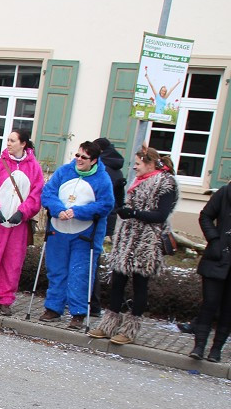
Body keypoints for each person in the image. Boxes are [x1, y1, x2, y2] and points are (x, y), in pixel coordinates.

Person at [89, 147, 178, 345]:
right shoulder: (139, 181)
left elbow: (161, 215)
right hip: (127, 239)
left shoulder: (165, 183)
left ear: (149, 164)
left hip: (147, 242)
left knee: (140, 285)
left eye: (137, 163)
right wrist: (121, 194)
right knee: (117, 282)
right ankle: (108, 325)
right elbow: (126, 208)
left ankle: (130, 330)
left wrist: (134, 214)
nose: (134, 167)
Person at [40, 140, 115, 329]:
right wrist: (58, 209)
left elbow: (106, 204)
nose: (79, 160)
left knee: (80, 273)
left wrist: (78, 211)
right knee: (56, 270)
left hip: (85, 235)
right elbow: (48, 193)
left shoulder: (102, 179)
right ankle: (53, 308)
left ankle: (78, 312)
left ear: (94, 160)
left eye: (84, 157)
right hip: (59, 230)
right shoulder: (64, 171)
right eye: (78, 155)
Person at [0, 129, 44, 314]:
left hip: (17, 224)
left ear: (23, 144)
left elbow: (36, 195)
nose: (8, 144)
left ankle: (4, 299)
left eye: (12, 140)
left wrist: (23, 212)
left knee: (12, 262)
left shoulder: (34, 167)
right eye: (8, 140)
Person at [190, 185, 231, 362]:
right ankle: (199, 346)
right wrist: (214, 239)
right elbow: (205, 216)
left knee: (229, 310)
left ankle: (216, 349)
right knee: (209, 304)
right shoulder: (225, 192)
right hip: (217, 257)